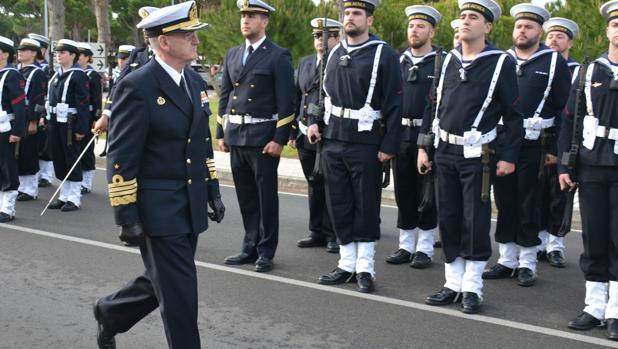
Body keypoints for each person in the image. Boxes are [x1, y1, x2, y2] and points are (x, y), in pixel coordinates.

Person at [92, 2, 225, 348]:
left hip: (190, 201)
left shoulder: (194, 81)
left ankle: (111, 312)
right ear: (164, 42)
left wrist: (212, 189)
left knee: (162, 280)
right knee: (181, 295)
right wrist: (126, 215)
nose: (196, 40)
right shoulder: (137, 86)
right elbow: (122, 155)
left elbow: (201, 142)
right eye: (188, 34)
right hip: (157, 208)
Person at [418, 0, 523, 313]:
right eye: (462, 16)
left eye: (473, 17)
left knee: (473, 219)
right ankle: (452, 282)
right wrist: (425, 146)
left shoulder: (500, 62)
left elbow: (513, 115)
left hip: (478, 154)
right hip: (445, 150)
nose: (464, 21)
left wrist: (508, 155)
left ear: (487, 27)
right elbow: (432, 106)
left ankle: (472, 287)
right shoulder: (446, 59)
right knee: (448, 216)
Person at [307, 0, 403, 293]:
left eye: (357, 13)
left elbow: (395, 102)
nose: (350, 18)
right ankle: (346, 264)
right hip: (334, 138)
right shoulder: (335, 52)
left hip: (365, 141)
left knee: (365, 205)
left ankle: (365, 268)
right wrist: (314, 121)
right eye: (347, 13)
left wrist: (389, 145)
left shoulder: (383, 53)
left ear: (369, 20)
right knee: (339, 203)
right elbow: (322, 95)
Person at [483, 3, 570, 287]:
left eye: (528, 27)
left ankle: (527, 262)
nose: (522, 31)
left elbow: (562, 108)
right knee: (505, 202)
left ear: (539, 31)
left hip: (535, 145)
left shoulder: (553, 61)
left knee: (529, 203)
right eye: (519, 26)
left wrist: (556, 149)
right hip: (502, 142)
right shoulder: (502, 60)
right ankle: (507, 259)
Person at [217, 0, 295, 273]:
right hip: (237, 135)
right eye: (243, 16)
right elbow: (225, 94)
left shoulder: (278, 55)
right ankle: (249, 246)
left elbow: (287, 101)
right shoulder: (233, 53)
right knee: (246, 197)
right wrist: (221, 131)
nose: (245, 21)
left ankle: (265, 251)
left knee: (265, 197)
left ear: (265, 22)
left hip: (263, 137)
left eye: (251, 16)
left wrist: (279, 138)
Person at [560, 1, 618, 340]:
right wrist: (568, 163)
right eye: (615, 24)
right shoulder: (588, 71)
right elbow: (571, 119)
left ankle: (615, 310)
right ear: (607, 31)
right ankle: (594, 305)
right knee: (594, 236)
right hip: (593, 164)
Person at [385, 5, 440, 269]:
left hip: (426, 135)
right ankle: (406, 244)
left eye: (420, 26)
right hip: (401, 133)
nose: (414, 30)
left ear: (431, 31)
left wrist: (428, 141)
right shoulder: (398, 61)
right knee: (403, 191)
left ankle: (425, 247)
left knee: (427, 194)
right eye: (411, 26)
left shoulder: (442, 62)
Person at [289, 17, 341, 254]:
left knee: (330, 184)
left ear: (336, 38)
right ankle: (316, 231)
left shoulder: (340, 62)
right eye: (316, 36)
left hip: (328, 133)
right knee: (313, 183)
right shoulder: (307, 62)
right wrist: (292, 130)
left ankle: (333, 233)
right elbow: (299, 97)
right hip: (304, 132)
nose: (319, 40)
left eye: (325, 35)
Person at [537, 16, 581, 267]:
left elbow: (569, 116)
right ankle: (540, 242)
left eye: (560, 36)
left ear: (569, 43)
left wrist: (558, 150)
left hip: (561, 139)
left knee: (559, 194)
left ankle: (555, 245)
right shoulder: (541, 65)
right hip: (538, 139)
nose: (554, 40)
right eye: (550, 36)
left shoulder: (576, 71)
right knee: (538, 193)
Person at [95, 7, 157, 134]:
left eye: (149, 25)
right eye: (144, 26)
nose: (144, 30)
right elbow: (118, 85)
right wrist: (106, 114)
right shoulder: (137, 55)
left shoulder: (171, 58)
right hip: (133, 119)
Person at [46, 39, 90, 212]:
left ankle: (74, 198)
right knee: (59, 158)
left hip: (70, 124)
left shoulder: (78, 75)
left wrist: (81, 128)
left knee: (72, 159)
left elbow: (83, 104)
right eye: (57, 52)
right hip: (55, 121)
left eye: (63, 52)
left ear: (73, 55)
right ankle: (63, 195)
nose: (58, 55)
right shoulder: (57, 74)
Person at [16, 38, 47, 202]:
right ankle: (21, 186)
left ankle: (30, 188)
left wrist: (34, 120)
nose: (20, 51)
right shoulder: (16, 70)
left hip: (29, 118)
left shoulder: (37, 72)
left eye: (25, 49)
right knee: (18, 153)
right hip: (17, 117)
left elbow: (39, 99)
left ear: (34, 53)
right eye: (19, 49)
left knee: (29, 152)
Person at [0, 36, 26, 222]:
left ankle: (8, 208)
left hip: (6, 128)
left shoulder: (12, 75)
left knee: (7, 166)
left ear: (5, 53)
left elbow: (19, 105)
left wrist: (17, 131)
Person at [27, 33, 54, 187]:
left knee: (44, 144)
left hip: (43, 111)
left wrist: (42, 115)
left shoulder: (44, 69)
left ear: (42, 51)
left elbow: (44, 94)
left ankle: (45, 174)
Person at [76, 42, 102, 194]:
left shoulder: (92, 75)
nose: (78, 58)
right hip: (79, 116)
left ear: (87, 58)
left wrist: (96, 118)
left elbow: (97, 99)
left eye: (80, 55)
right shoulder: (75, 73)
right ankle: (78, 178)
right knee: (77, 149)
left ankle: (87, 181)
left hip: (90, 115)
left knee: (87, 149)